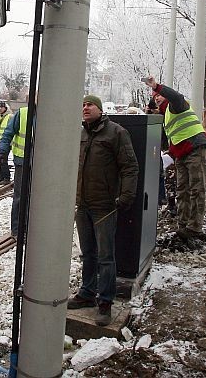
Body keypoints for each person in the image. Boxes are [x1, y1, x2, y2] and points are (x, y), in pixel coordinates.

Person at [68, 95, 139, 326]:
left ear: (99, 109)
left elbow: (130, 166)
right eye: (83, 105)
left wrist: (127, 195)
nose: (85, 108)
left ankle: (105, 302)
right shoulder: (80, 133)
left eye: (89, 104)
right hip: (83, 204)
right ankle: (87, 293)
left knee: (106, 256)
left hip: (105, 206)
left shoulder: (116, 133)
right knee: (87, 252)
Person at [142, 76, 206, 238]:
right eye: (154, 97)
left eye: (158, 95)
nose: (156, 98)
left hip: (194, 147)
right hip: (181, 153)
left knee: (196, 188)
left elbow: (176, 96)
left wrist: (157, 86)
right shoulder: (166, 116)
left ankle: (194, 227)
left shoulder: (177, 105)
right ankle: (183, 225)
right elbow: (169, 140)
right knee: (182, 189)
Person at [0, 105, 29, 238]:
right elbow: (8, 133)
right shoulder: (23, 113)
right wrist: (3, 151)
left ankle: (30, 227)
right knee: (20, 197)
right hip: (22, 162)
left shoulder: (50, 114)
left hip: (43, 165)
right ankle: (17, 230)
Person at [0, 101, 12, 185]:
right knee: (1, 160)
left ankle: (6, 178)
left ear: (5, 108)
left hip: (6, 142)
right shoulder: (1, 117)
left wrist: (10, 142)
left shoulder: (9, 116)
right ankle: (1, 177)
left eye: (1, 107)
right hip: (1, 143)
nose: (0, 109)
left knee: (2, 160)